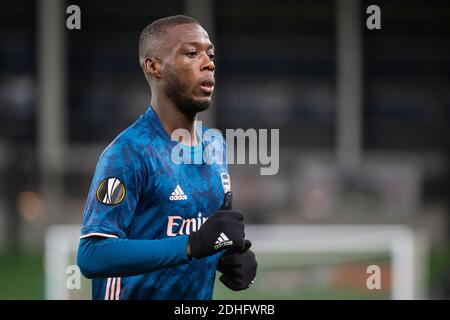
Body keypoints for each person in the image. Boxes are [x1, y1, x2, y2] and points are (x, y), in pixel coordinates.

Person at [77, 15, 257, 300]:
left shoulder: (215, 144)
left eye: (210, 54)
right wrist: (192, 244)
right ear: (154, 66)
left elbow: (192, 236)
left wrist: (225, 259)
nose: (209, 62)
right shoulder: (129, 152)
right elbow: (92, 255)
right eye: (191, 53)